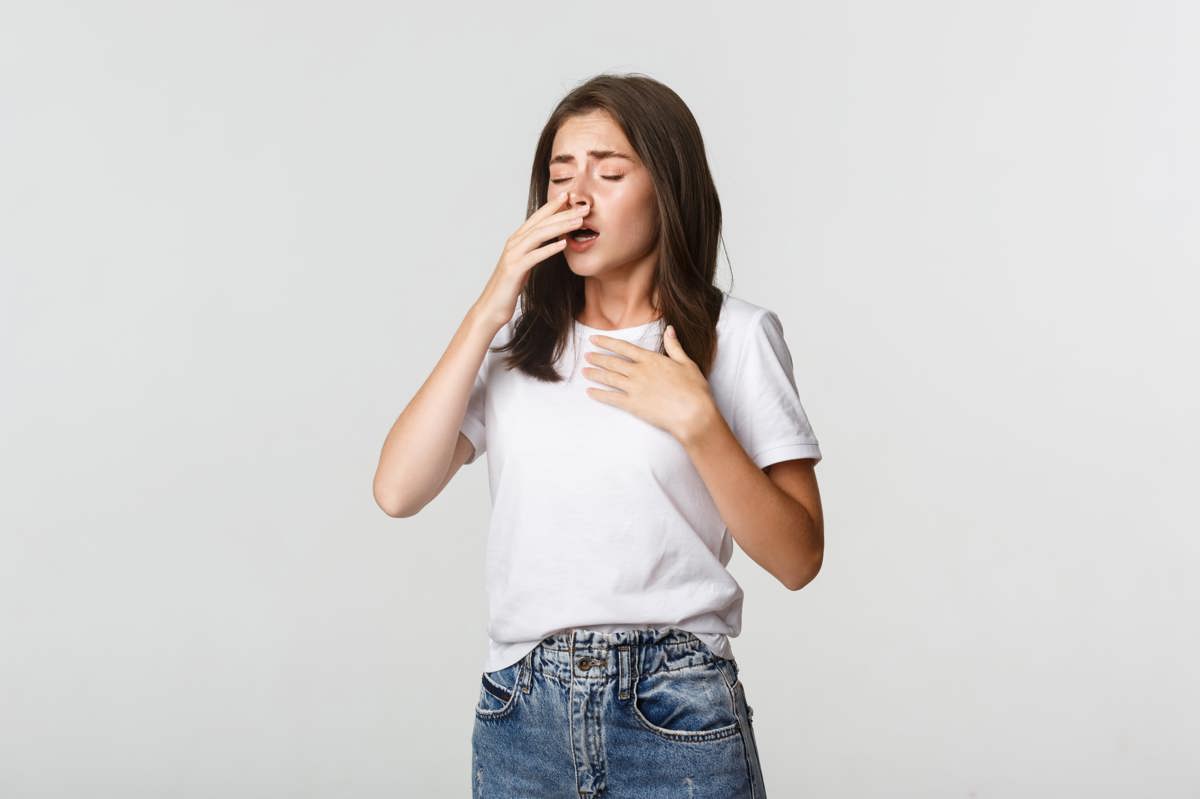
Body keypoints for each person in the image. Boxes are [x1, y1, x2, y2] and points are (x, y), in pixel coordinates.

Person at [373, 73, 823, 799]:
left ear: (667, 188)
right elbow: (396, 490)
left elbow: (800, 557)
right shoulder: (519, 345)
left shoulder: (735, 338)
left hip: (674, 709)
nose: (576, 196)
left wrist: (698, 423)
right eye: (559, 176)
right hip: (522, 715)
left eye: (608, 172)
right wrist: (492, 304)